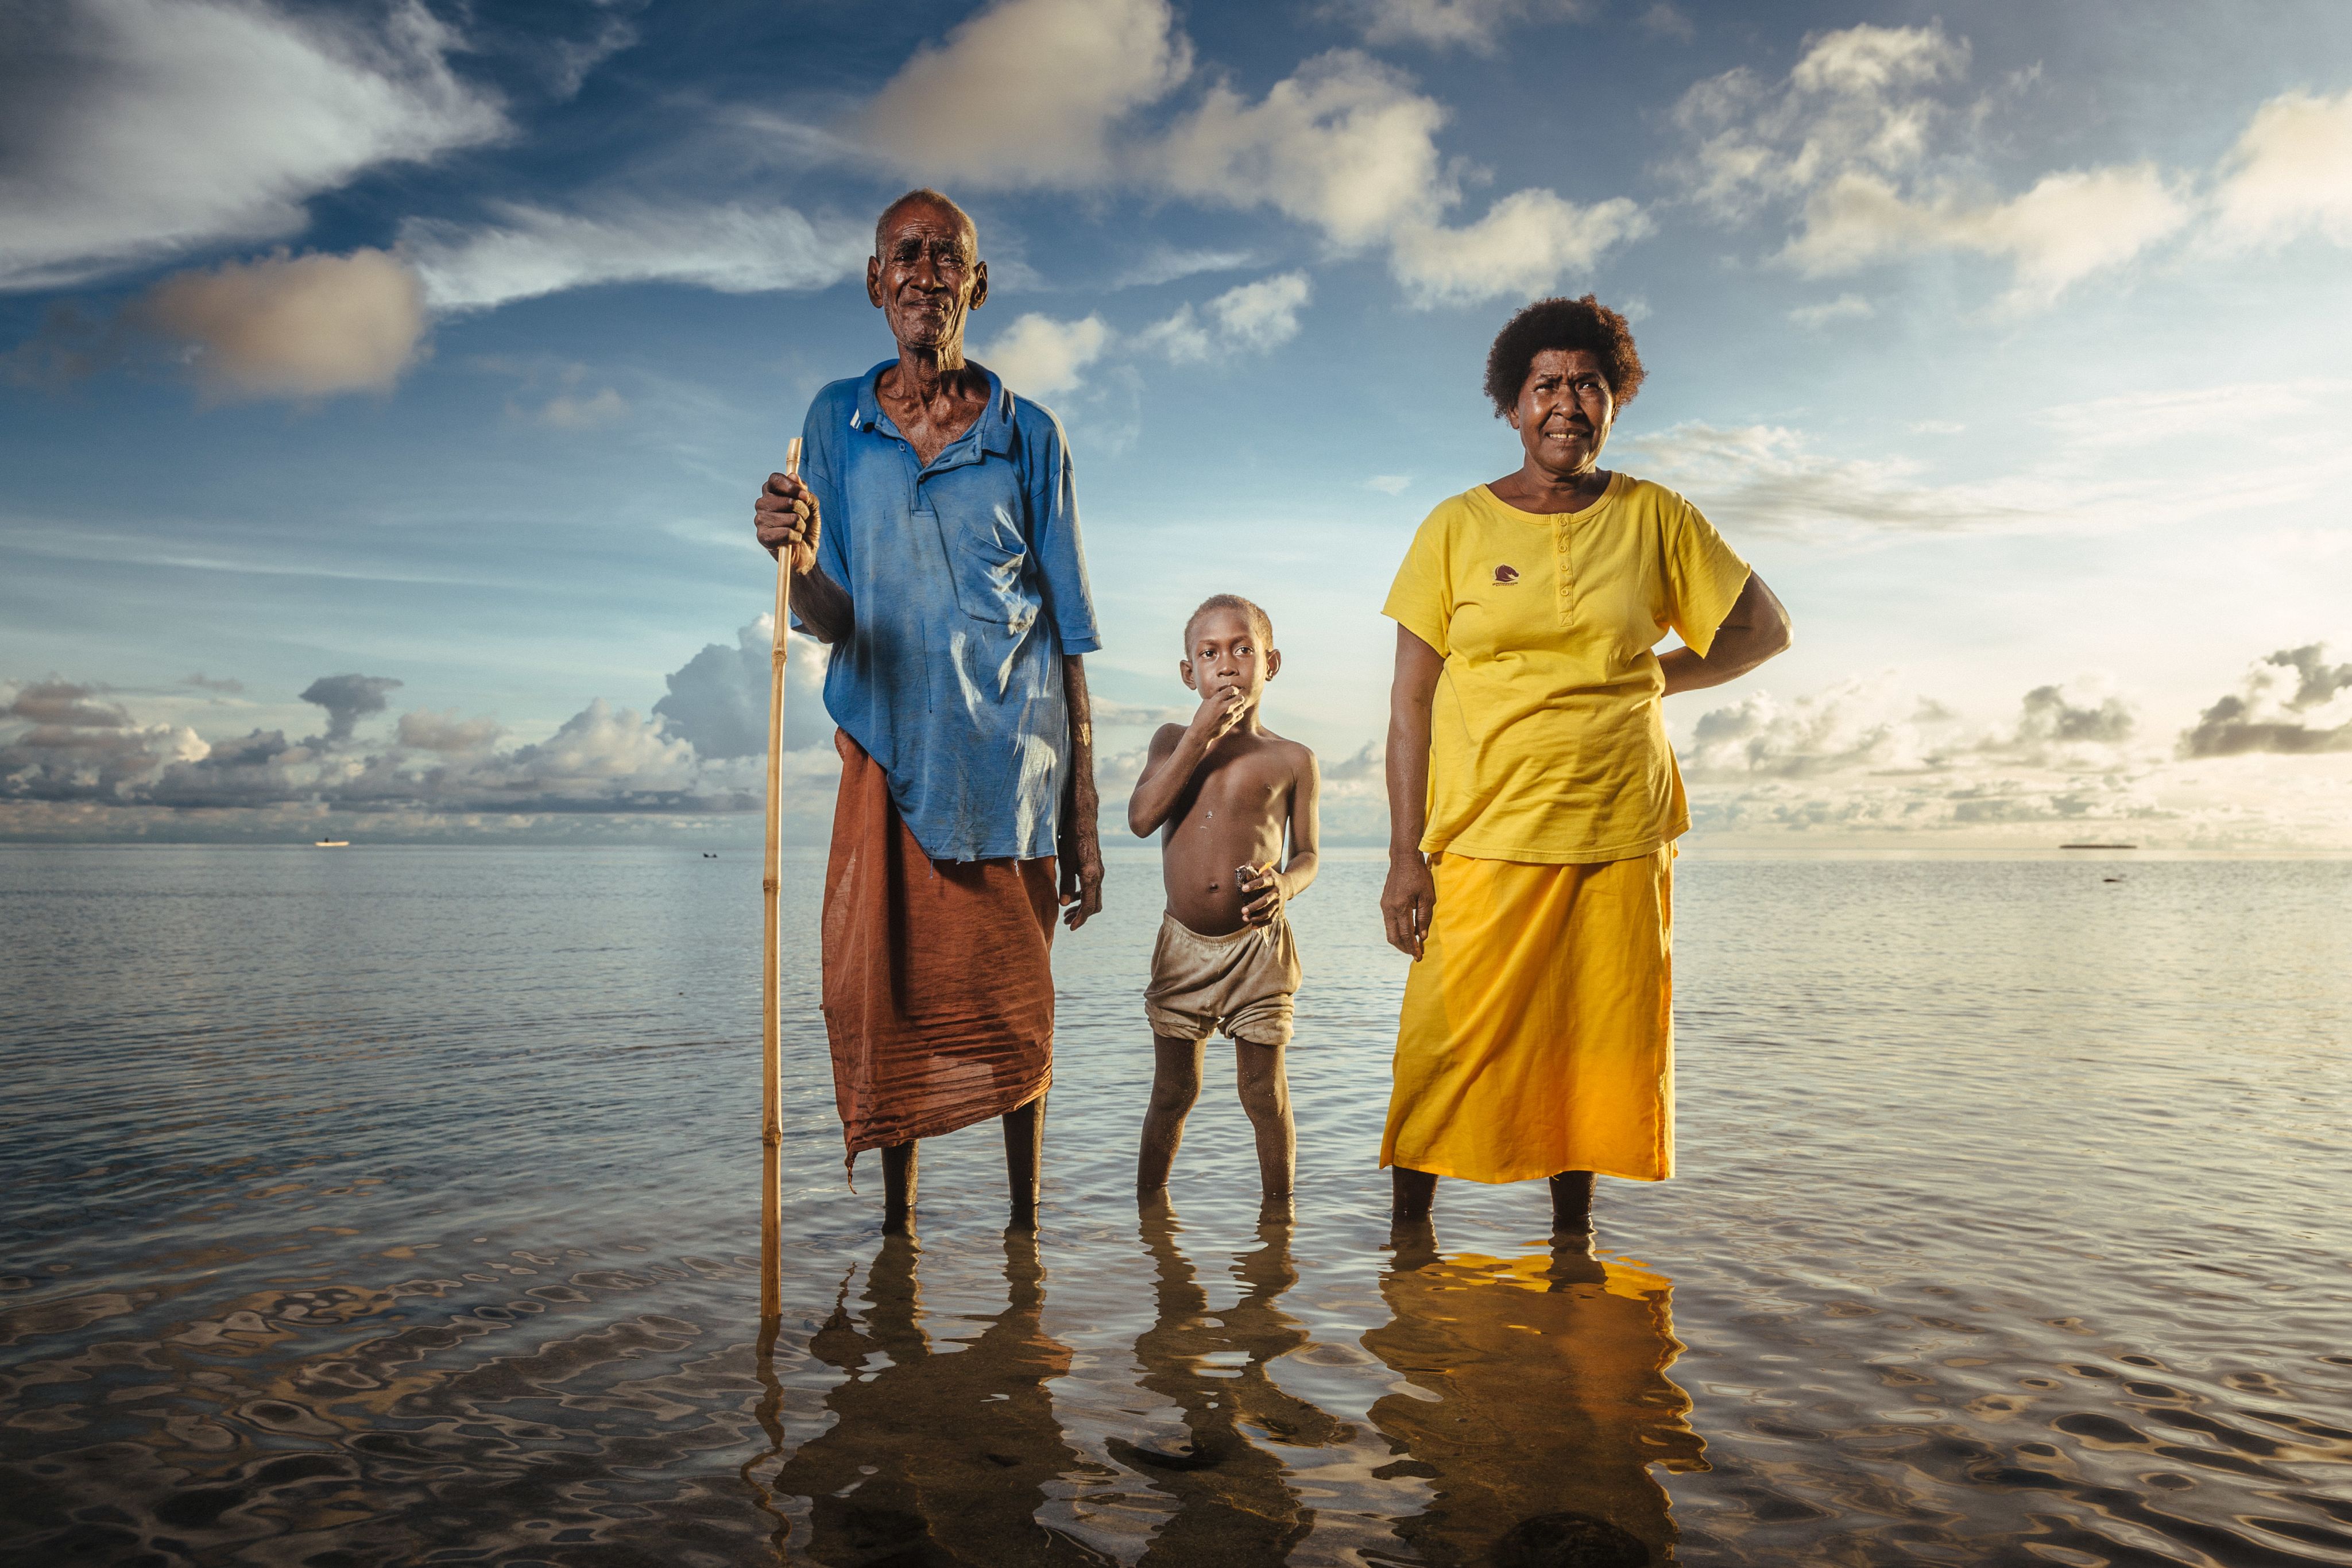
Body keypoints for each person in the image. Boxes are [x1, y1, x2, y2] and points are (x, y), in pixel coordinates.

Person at [1377, 294, 1791, 1239]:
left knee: (1590, 1047)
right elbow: (1407, 707)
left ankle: (1574, 1251)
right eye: (1547, 385)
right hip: (1485, 829)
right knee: (1441, 1045)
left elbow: (1763, 630)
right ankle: (1409, 1248)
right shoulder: (1454, 527)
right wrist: (1405, 855)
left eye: (1589, 386)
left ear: (1615, 402)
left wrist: (1653, 674)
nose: (1567, 403)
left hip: (1619, 827)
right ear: (1512, 404)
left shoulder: (1657, 517)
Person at [752, 188, 1104, 1233]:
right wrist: (800, 558)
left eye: (946, 256)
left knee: (1010, 1008)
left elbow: (1070, 630)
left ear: (976, 285)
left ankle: (1025, 1229)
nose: (925, 272)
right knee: (885, 999)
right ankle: (898, 1234)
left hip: (1012, 769)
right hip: (889, 757)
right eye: (904, 254)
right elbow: (830, 615)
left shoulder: (1028, 434)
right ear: (875, 282)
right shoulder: (834, 421)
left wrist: (1086, 812)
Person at [1127, 595, 1320, 1199]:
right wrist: (1198, 739)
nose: (1228, 664)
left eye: (1243, 649)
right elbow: (1140, 818)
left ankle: (1277, 1222)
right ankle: (1149, 1213)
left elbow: (1307, 854)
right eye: (1210, 654)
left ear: (1272, 662)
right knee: (1172, 1090)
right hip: (1183, 944)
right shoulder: (1169, 741)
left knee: (1263, 1093)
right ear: (1190, 674)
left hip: (1258, 946)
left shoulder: (1291, 758)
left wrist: (1285, 887)